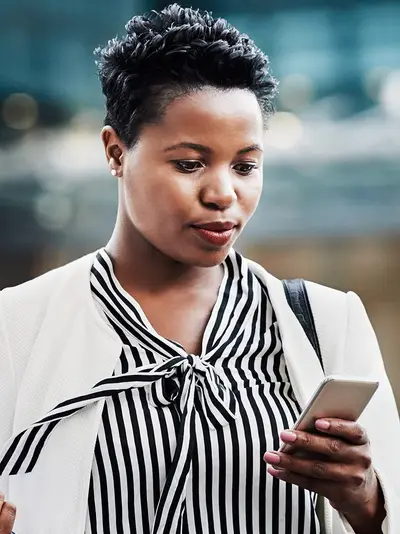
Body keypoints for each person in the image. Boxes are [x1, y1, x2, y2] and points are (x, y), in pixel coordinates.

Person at [0, 4, 398, 533]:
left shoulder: (328, 322)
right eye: (189, 164)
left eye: (246, 166)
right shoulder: (15, 328)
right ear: (116, 151)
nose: (223, 194)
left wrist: (366, 499)